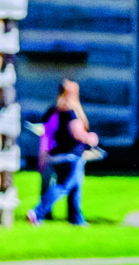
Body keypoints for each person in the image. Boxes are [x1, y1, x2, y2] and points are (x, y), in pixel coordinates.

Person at [29, 80, 97, 226]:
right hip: (71, 155)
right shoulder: (71, 112)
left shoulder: (53, 111)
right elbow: (76, 131)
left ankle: (76, 219)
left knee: (75, 185)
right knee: (63, 186)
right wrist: (90, 138)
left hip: (56, 155)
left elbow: (45, 134)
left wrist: (43, 155)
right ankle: (37, 212)